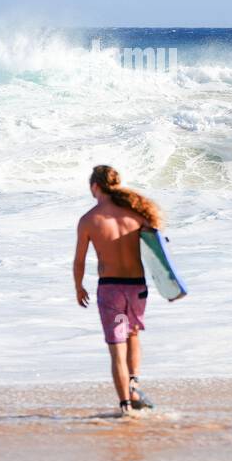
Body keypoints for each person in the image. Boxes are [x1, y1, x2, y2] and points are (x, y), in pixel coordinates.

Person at [73, 165, 165, 415]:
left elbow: (79, 260)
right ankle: (133, 385)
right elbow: (158, 250)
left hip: (110, 288)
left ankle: (125, 405)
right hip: (136, 287)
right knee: (133, 335)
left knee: (117, 348)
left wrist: (78, 286)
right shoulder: (137, 215)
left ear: (95, 187)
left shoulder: (89, 220)